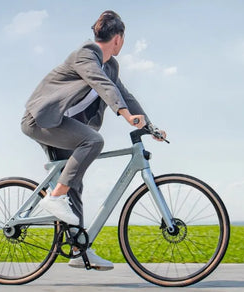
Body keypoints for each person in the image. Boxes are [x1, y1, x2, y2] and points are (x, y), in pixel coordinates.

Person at [21, 10, 166, 271]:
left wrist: (150, 125)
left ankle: (78, 249)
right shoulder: (85, 54)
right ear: (118, 38)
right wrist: (124, 115)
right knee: (93, 142)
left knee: (73, 181)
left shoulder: (111, 65)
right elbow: (102, 85)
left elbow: (124, 93)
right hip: (40, 121)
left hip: (62, 127)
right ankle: (54, 198)